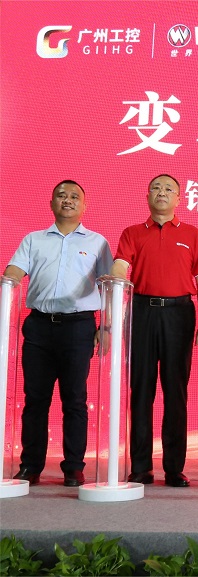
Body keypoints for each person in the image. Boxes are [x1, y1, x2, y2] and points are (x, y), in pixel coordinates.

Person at [5, 180, 113, 487]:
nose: (68, 200)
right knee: (35, 399)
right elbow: (14, 271)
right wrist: (8, 279)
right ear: (52, 203)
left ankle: (74, 467)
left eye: (74, 196)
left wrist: (105, 327)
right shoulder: (34, 239)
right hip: (38, 327)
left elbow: (108, 286)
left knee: (75, 399)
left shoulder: (97, 242)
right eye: (61, 195)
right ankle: (30, 465)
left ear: (84, 205)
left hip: (78, 328)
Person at [111, 174, 198, 488]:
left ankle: (174, 468)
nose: (162, 192)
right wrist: (116, 279)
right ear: (147, 196)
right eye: (156, 188)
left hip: (179, 314)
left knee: (175, 391)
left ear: (179, 198)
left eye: (169, 189)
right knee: (141, 391)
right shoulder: (132, 233)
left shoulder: (192, 234)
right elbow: (121, 265)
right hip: (141, 311)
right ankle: (141, 467)